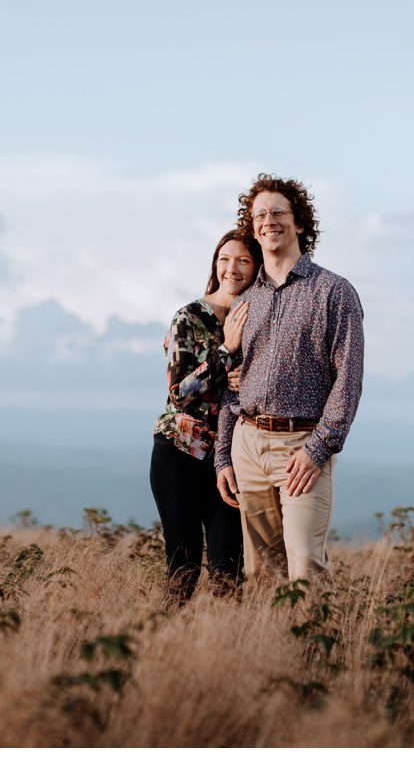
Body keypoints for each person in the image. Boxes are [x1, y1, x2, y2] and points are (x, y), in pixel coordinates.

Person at [214, 174, 364, 584]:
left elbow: (347, 380)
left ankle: (318, 649)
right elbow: (233, 384)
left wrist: (319, 448)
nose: (268, 220)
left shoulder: (334, 292)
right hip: (247, 445)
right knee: (261, 573)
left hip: (302, 445)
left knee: (305, 568)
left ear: (299, 223)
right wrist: (224, 455)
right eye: (259, 214)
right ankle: (270, 649)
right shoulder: (246, 300)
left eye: (279, 212)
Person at [150, 229, 261, 605]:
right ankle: (162, 645)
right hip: (180, 452)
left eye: (243, 260)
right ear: (215, 265)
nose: (233, 268)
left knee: (229, 569)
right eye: (225, 259)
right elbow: (178, 391)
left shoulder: (259, 319)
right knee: (183, 567)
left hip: (230, 457)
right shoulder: (189, 317)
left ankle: (224, 652)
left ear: (256, 266)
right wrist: (228, 351)